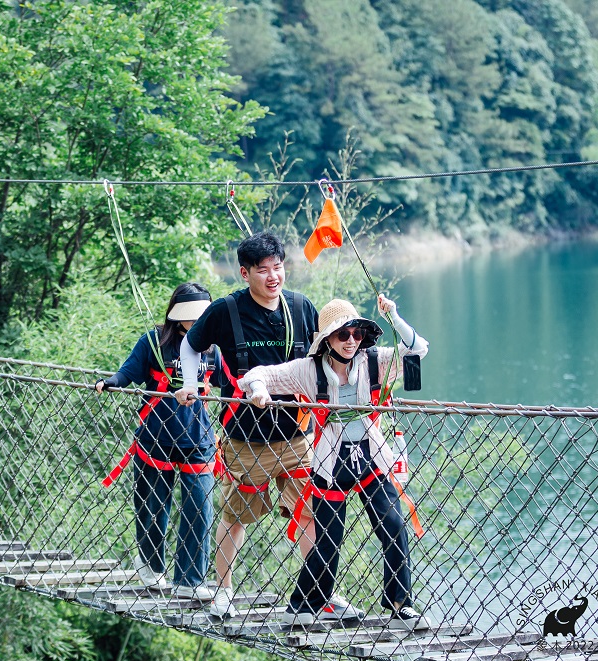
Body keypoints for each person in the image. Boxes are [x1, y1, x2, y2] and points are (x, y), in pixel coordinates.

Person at [175, 232, 360, 621]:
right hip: (246, 439)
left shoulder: (301, 307)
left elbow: (325, 356)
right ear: (245, 273)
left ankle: (321, 594)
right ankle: (223, 592)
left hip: (297, 437)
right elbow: (189, 345)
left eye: (278, 267)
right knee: (235, 516)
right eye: (263, 270)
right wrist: (190, 384)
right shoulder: (226, 311)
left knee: (311, 512)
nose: (273, 276)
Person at [239, 295, 430, 630]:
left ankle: (401, 606)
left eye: (356, 333)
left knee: (394, 525)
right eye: (342, 335)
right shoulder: (308, 370)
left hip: (372, 458)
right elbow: (257, 374)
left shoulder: (374, 361)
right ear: (327, 339)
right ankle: (302, 606)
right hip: (331, 463)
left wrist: (394, 316)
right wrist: (259, 391)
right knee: (328, 538)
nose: (350, 341)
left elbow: (417, 349)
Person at [96, 283, 221, 601]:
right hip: (156, 436)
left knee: (200, 508)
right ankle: (151, 566)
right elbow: (128, 372)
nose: (197, 322)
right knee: (152, 507)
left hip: (199, 438)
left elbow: (233, 382)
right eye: (191, 316)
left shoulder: (214, 348)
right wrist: (110, 382)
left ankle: (190, 580)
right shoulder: (154, 341)